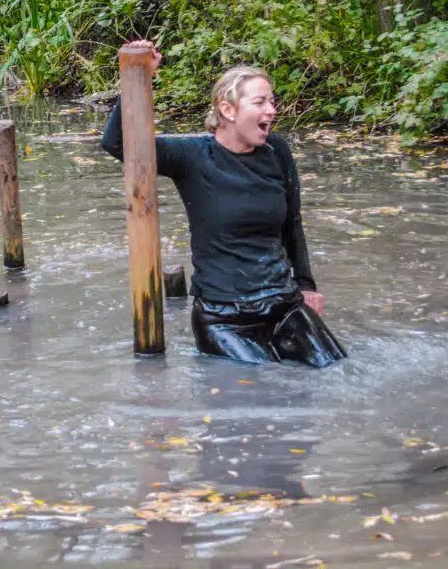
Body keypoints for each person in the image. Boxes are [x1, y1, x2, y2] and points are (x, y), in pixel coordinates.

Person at [101, 40, 345, 368]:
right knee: (263, 384)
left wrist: (306, 285)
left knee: (335, 369)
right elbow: (118, 144)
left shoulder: (277, 151)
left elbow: (292, 223)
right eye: (260, 102)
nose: (272, 110)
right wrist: (139, 76)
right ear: (228, 110)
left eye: (272, 102)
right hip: (223, 316)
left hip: (284, 305)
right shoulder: (191, 156)